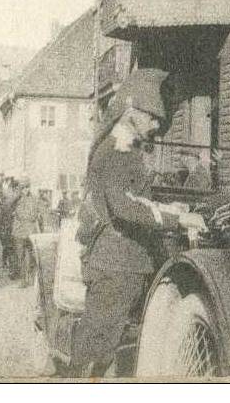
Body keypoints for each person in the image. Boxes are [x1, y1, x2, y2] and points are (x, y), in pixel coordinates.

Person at [72, 68, 200, 377]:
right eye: (152, 116)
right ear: (132, 112)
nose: (157, 125)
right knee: (96, 349)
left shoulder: (123, 148)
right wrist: (179, 217)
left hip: (122, 263)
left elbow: (134, 198)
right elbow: (126, 205)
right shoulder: (118, 150)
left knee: (106, 347)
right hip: (117, 264)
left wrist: (168, 208)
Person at [10, 177, 51, 287]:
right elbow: (8, 205)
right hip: (19, 231)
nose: (26, 190)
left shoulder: (35, 199)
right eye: (23, 187)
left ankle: (32, 277)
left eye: (27, 187)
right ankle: (23, 279)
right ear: (20, 188)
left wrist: (45, 225)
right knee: (20, 256)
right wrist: (17, 195)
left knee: (33, 255)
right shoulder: (16, 199)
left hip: (31, 231)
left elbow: (43, 211)